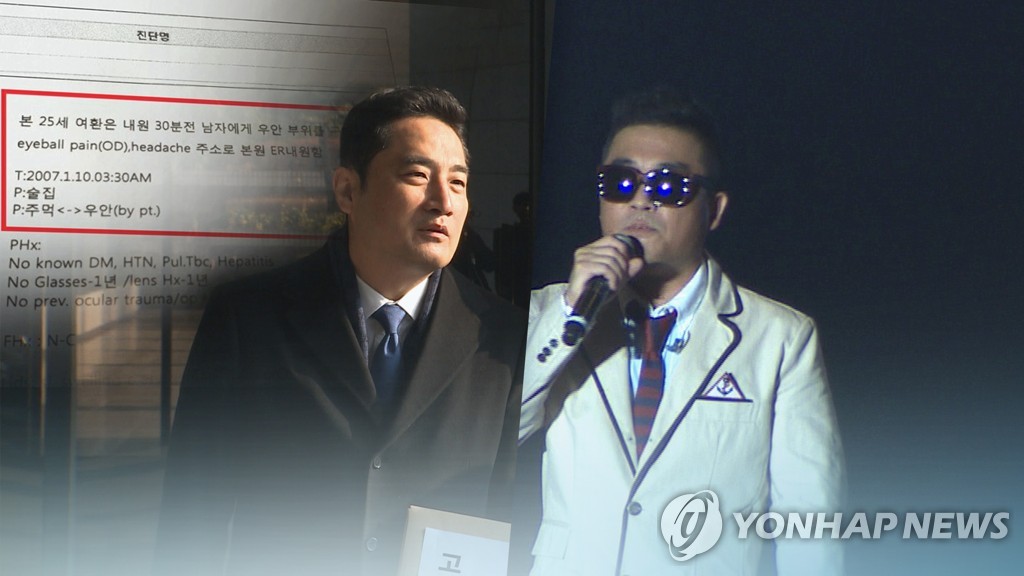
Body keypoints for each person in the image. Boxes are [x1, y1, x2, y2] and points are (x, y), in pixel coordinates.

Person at [155, 86, 525, 576]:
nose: (444, 202)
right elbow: (190, 516)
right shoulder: (250, 319)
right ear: (348, 191)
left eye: (458, 183)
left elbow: (511, 518)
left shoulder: (501, 338)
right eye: (417, 176)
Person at [519, 90, 844, 575]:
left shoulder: (780, 338)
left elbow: (810, 523)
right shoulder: (549, 313)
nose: (641, 200)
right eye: (621, 182)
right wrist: (571, 314)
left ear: (714, 209)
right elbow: (491, 437)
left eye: (669, 185)